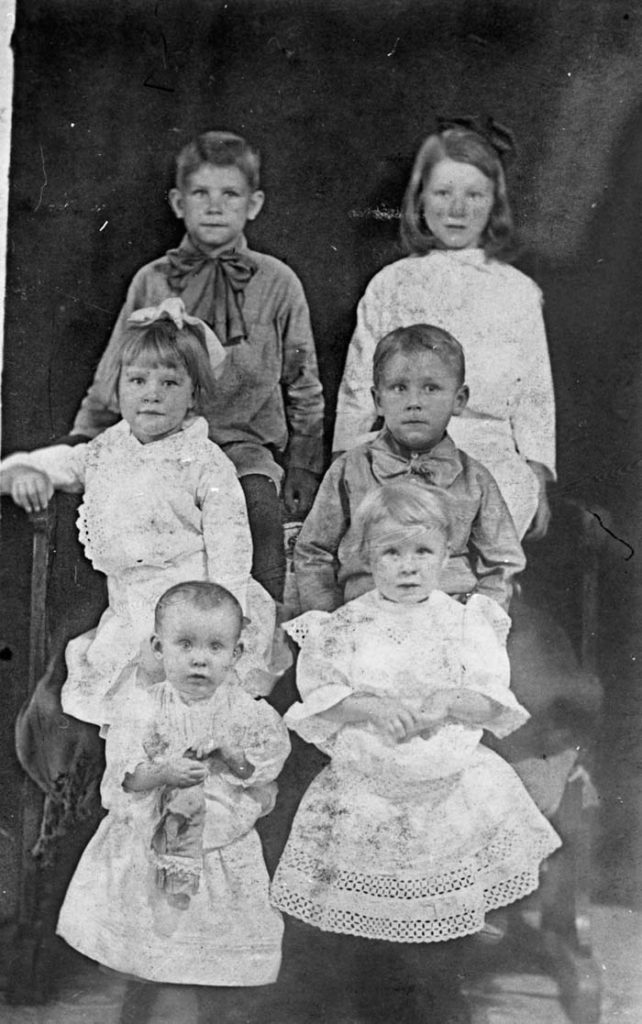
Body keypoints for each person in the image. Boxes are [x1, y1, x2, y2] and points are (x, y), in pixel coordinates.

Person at [270, 483, 560, 1024]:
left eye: (422, 552)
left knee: (441, 926)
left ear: (447, 552)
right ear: (365, 556)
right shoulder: (348, 625)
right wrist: (370, 706)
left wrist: (448, 698)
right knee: (363, 932)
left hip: (446, 787)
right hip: (369, 786)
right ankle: (374, 1000)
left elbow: (493, 698)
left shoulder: (464, 622)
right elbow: (323, 695)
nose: (408, 567)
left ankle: (440, 1002)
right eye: (391, 553)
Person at [70, 130, 325, 601]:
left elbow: (303, 383)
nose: (214, 206)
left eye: (230, 194)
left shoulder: (278, 283)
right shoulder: (153, 279)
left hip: (243, 448)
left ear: (253, 204)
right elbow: (114, 372)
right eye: (200, 193)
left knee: (261, 521)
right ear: (177, 202)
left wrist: (305, 468)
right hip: (156, 447)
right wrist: (85, 438)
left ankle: (253, 644)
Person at [0, 299, 278, 727]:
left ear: (194, 396)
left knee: (186, 708)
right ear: (119, 389)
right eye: (138, 380)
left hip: (194, 609)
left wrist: (224, 621)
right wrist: (23, 470)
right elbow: (66, 464)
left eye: (170, 383)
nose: (151, 393)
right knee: (126, 710)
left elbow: (231, 550)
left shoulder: (205, 462)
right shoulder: (108, 449)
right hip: (132, 612)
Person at [56, 581, 290, 1023]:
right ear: (158, 648)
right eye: (185, 644)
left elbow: (259, 771)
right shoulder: (142, 707)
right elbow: (126, 778)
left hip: (216, 846)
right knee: (152, 959)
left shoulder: (246, 712)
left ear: (237, 654)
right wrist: (163, 772)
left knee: (198, 964)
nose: (200, 658)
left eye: (216, 646)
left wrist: (232, 756)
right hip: (152, 844)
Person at [332, 117, 555, 540]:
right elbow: (359, 383)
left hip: (490, 452)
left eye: (474, 195)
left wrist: (538, 472)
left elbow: (534, 394)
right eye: (443, 193)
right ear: (420, 199)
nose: (457, 208)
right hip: (403, 449)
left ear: (494, 203)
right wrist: (343, 462)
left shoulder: (517, 290)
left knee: (489, 521)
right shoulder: (392, 283)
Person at [294, 323, 525, 614]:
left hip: (449, 620)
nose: (414, 403)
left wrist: (478, 621)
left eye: (431, 388)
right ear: (378, 401)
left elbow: (503, 562)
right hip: (365, 618)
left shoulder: (475, 479)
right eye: (399, 388)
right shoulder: (350, 470)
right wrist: (329, 619)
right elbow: (313, 551)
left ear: (459, 400)